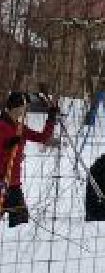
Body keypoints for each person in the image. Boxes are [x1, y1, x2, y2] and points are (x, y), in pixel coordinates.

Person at [1, 91, 56, 228]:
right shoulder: (2, 126)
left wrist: (52, 117)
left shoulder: (20, 127)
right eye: (25, 107)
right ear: (16, 107)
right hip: (2, 182)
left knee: (20, 224)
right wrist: (6, 147)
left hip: (13, 185)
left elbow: (42, 137)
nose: (26, 111)